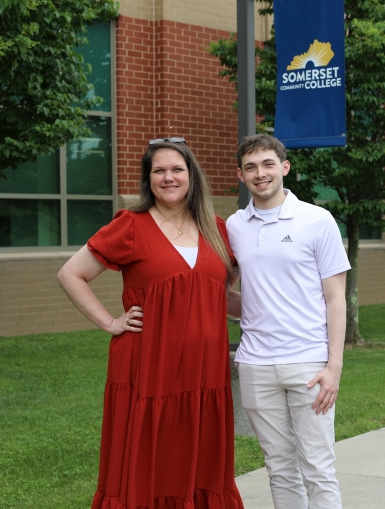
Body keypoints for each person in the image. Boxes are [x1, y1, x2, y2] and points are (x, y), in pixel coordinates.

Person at [57, 138, 244, 509]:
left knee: (199, 452)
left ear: (192, 175)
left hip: (205, 370)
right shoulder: (131, 226)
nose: (168, 177)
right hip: (147, 364)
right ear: (149, 179)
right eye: (159, 170)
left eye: (177, 169)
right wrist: (111, 322)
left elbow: (218, 295)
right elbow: (70, 274)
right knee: (145, 452)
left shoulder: (216, 229)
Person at [227, 134, 350, 508]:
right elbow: (234, 295)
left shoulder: (317, 220)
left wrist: (334, 366)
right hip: (255, 365)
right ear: (240, 175)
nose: (260, 174)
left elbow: (335, 298)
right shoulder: (234, 226)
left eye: (267, 164)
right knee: (279, 468)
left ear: (284, 167)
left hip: (309, 365)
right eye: (250, 167)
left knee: (318, 467)